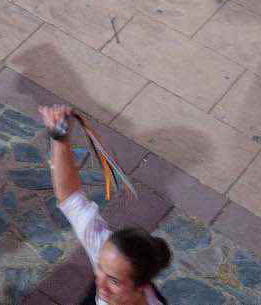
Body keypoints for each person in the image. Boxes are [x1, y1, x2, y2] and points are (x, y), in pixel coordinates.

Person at [37, 104, 171, 303]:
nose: (100, 284)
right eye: (99, 267)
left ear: (142, 286)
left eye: (114, 281)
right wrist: (60, 139)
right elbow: (71, 198)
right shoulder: (107, 253)